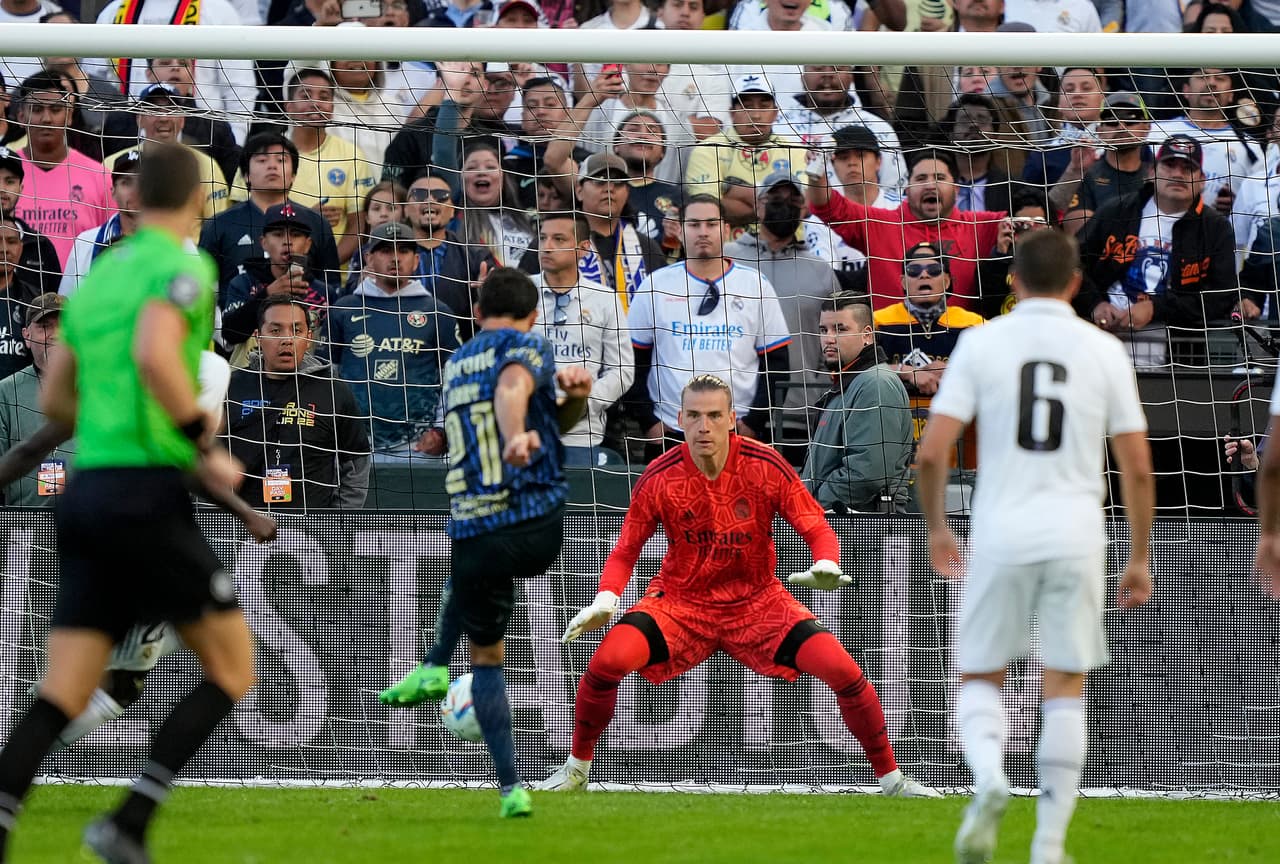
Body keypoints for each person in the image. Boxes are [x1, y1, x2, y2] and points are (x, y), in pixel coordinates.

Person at [0, 142, 257, 863]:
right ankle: (129, 824)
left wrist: (118, 412)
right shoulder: (183, 265)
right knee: (233, 669)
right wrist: (198, 439)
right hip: (146, 490)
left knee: (64, 688)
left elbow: (55, 396)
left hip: (85, 491)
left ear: (136, 196)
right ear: (199, 198)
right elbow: (153, 350)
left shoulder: (102, 278)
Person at [539, 373, 937, 798]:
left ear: (732, 419)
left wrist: (825, 561)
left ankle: (892, 780)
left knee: (843, 670)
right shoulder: (659, 476)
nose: (703, 426)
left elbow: (815, 525)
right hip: (680, 603)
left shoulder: (765, 465)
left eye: (713, 415)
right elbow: (624, 551)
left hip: (757, 602)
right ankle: (576, 769)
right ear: (679, 418)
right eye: (693, 415)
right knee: (607, 661)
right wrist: (605, 598)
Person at [915, 229, 1154, 864]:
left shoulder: (980, 342)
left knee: (979, 674)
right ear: (1077, 284)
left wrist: (940, 528)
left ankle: (989, 778)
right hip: (1077, 531)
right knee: (1065, 682)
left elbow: (932, 452)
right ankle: (1049, 845)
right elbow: (1136, 465)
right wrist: (1138, 554)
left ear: (1012, 282)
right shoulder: (1104, 351)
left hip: (1000, 530)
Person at [382, 266, 593, 819]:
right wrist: (515, 431)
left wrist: (569, 401)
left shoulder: (453, 364)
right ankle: (506, 784)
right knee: (482, 622)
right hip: (536, 521)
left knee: (486, 657)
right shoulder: (529, 346)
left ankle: (507, 783)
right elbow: (512, 387)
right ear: (533, 315)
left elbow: (552, 416)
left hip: (474, 526)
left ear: (476, 314)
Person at [626, 195, 791, 451]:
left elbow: (777, 363)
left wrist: (753, 423)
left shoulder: (755, 285)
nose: (703, 232)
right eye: (694, 224)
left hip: (737, 433)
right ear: (680, 230)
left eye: (711, 224)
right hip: (672, 433)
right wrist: (649, 421)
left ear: (726, 230)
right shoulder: (655, 286)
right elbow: (633, 361)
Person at [1076, 134, 1237, 343]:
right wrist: (1095, 304)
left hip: (1179, 348)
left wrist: (1156, 307)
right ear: (1151, 172)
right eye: (1169, 165)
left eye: (1187, 168)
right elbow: (1072, 263)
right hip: (1103, 337)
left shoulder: (1215, 227)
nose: (1178, 174)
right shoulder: (1116, 211)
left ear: (1202, 180)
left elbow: (1222, 296)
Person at [805, 148, 1005, 310]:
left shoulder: (981, 226)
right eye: (921, 178)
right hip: (891, 349)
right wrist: (817, 177)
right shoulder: (880, 224)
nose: (930, 185)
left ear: (956, 189)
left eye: (939, 177)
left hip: (960, 350)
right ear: (907, 190)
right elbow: (829, 207)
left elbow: (1027, 221)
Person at [325, 221, 460, 459]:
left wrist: (441, 429)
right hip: (352, 445)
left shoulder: (438, 312)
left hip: (419, 447)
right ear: (368, 258)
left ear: (416, 260)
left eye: (404, 251)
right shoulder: (342, 310)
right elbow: (326, 377)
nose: (395, 258)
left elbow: (453, 378)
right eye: (386, 250)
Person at [225, 295, 369, 509]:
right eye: (275, 331)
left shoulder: (334, 390)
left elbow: (356, 464)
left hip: (312, 532)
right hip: (243, 527)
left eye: (297, 330)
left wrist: (338, 521)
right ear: (258, 337)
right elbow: (206, 458)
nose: (287, 339)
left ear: (309, 338)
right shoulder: (231, 387)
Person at [531, 211, 633, 466]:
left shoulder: (605, 299)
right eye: (543, 238)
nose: (547, 246)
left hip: (582, 436)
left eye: (558, 239)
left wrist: (582, 404)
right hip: (524, 431)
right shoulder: (521, 291)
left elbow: (622, 369)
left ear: (583, 249)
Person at [801, 294, 912, 513]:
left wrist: (810, 507)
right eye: (823, 330)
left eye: (840, 329)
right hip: (842, 523)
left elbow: (867, 473)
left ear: (867, 335)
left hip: (865, 531)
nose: (828, 338)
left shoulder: (875, 384)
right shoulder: (848, 382)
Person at [199, 132, 341, 296]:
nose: (272, 166)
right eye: (262, 160)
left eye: (281, 160)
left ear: (293, 176)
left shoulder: (317, 223)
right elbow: (204, 288)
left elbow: (331, 288)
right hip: (239, 319)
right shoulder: (219, 224)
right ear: (246, 176)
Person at [0, 292, 70, 505]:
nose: (56, 334)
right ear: (27, 335)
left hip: (88, 525)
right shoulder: (6, 392)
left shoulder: (98, 389)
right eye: (45, 326)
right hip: (25, 527)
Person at [59, 150, 141, 296]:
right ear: (113, 192)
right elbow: (67, 309)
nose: (135, 191)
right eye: (126, 183)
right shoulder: (85, 243)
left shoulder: (179, 244)